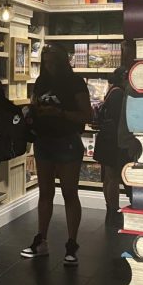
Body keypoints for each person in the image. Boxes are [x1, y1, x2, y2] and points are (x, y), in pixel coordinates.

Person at [20, 44, 92, 266]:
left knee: (69, 193)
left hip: (66, 141)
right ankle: (41, 240)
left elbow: (86, 114)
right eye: (46, 62)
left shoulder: (75, 82)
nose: (49, 66)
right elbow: (35, 104)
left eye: (53, 62)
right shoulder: (42, 82)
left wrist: (58, 112)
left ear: (62, 61)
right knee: (45, 193)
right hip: (44, 140)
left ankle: (72, 243)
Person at [93, 65, 128, 224]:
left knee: (108, 176)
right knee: (113, 176)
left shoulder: (112, 91)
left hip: (106, 138)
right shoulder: (120, 94)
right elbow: (119, 119)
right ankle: (114, 208)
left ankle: (110, 207)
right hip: (113, 140)